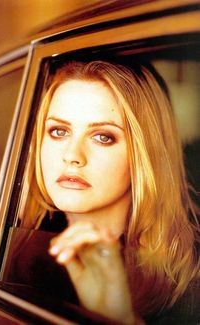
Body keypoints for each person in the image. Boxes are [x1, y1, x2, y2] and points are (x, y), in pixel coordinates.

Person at [22, 60, 199, 324]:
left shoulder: (188, 286)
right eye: (58, 131)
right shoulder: (15, 246)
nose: (72, 155)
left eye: (103, 137)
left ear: (144, 154)